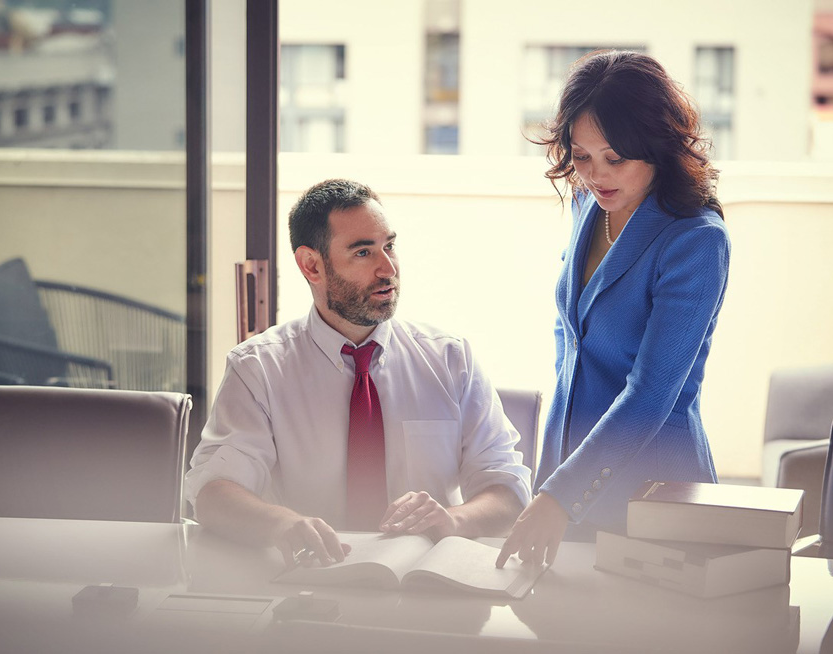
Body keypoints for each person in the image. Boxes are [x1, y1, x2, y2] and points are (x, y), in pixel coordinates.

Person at [187, 178, 531, 568]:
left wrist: (452, 521)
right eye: (364, 252)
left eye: (389, 246)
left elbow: (508, 488)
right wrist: (282, 524)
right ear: (311, 265)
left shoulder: (451, 359)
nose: (388, 268)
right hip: (309, 583)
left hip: (426, 583)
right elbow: (212, 492)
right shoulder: (258, 369)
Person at [497, 51, 730, 569]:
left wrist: (561, 494)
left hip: (653, 491)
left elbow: (651, 393)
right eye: (581, 156)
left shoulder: (695, 241)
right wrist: (551, 479)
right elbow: (571, 343)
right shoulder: (589, 206)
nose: (596, 175)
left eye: (615, 158)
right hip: (566, 474)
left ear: (658, 146)